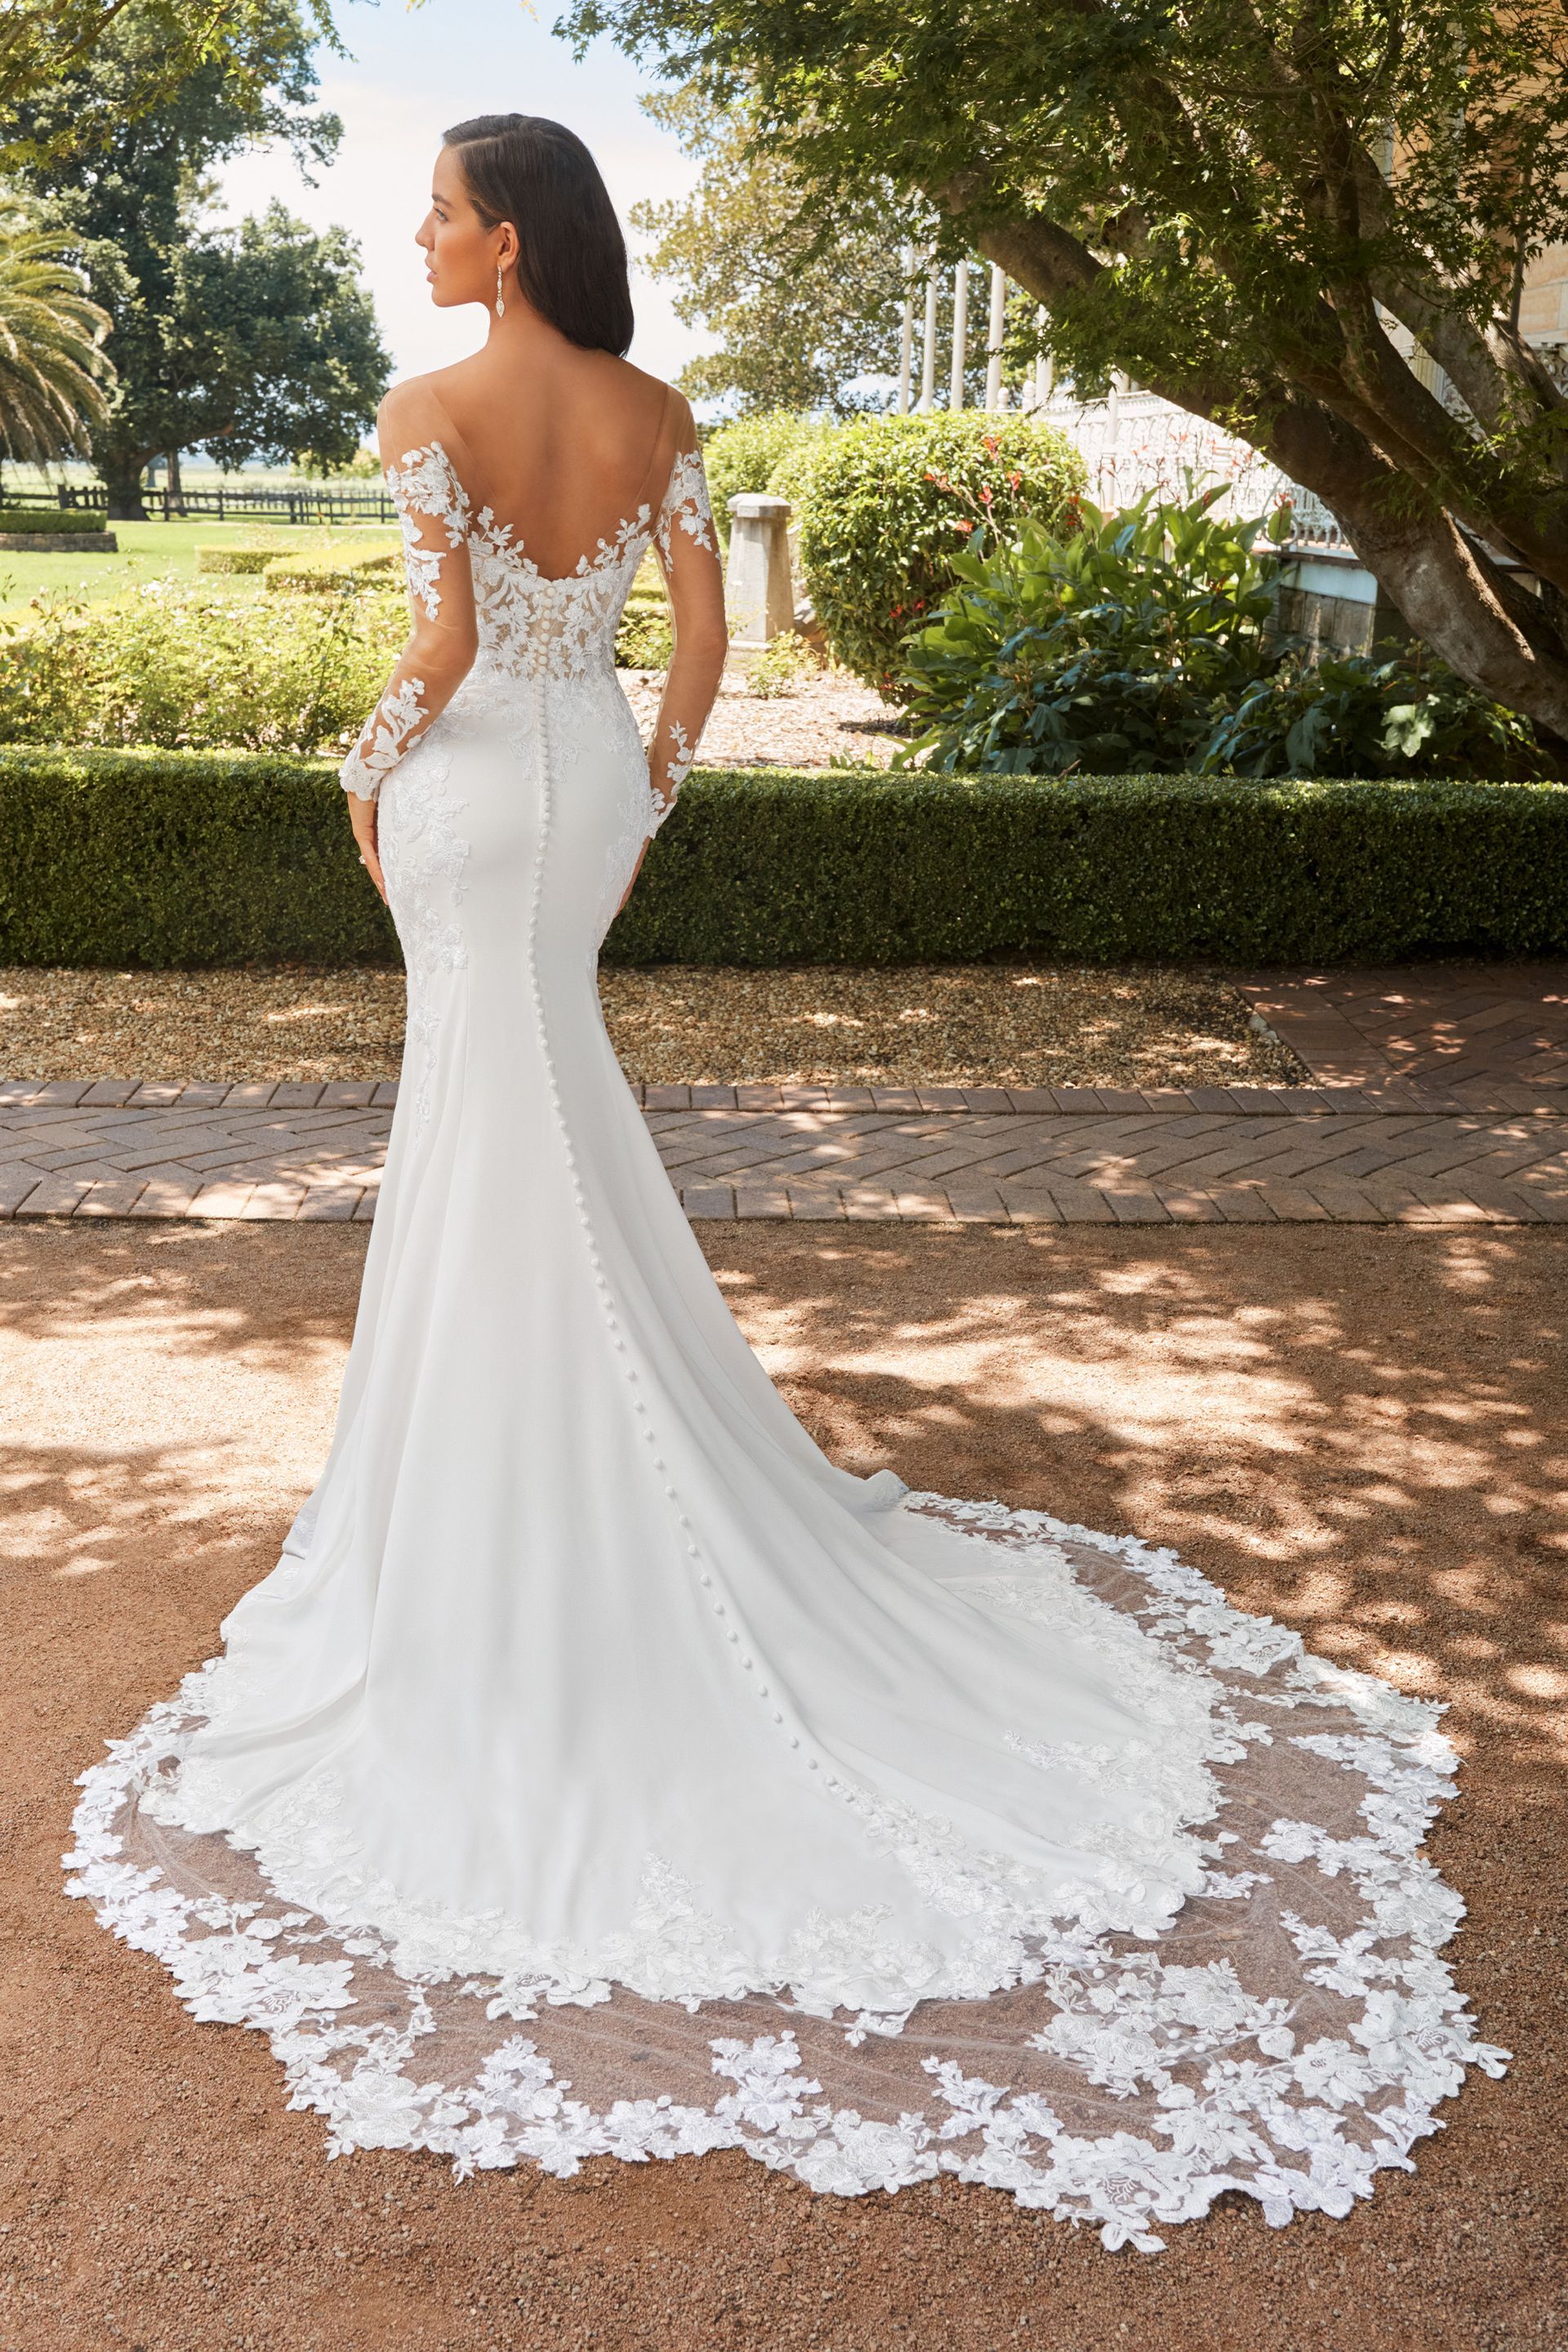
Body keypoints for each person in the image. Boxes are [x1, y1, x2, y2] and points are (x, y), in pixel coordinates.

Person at [65, 116, 1504, 2250]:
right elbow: (702, 641)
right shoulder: (659, 415)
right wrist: (645, 784)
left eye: (442, 206)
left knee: (490, 1116)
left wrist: (354, 776)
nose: (421, 231)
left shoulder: (425, 403)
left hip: (468, 789)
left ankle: (494, 1504)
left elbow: (438, 652)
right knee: (537, 1099)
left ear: (517, 233)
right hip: (584, 797)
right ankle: (571, 1449)